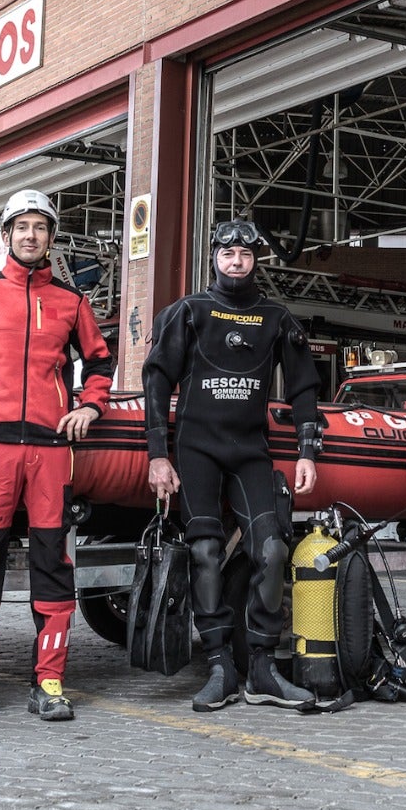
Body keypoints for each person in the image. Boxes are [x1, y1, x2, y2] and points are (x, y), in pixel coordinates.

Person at [0, 189, 115, 724]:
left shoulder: (72, 301)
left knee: (53, 565)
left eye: (40, 227)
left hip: (49, 452)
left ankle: (51, 681)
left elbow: (101, 363)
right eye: (21, 227)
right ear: (7, 235)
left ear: (51, 238)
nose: (31, 235)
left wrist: (91, 407)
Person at [142, 218, 322, 712]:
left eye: (245, 255)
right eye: (228, 255)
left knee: (272, 550)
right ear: (215, 260)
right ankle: (220, 664)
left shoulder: (277, 317)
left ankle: (261, 666)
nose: (236, 262)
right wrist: (158, 454)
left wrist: (307, 450)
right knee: (204, 553)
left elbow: (305, 386)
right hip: (196, 449)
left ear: (255, 259)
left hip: (250, 451)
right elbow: (157, 380)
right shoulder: (189, 312)